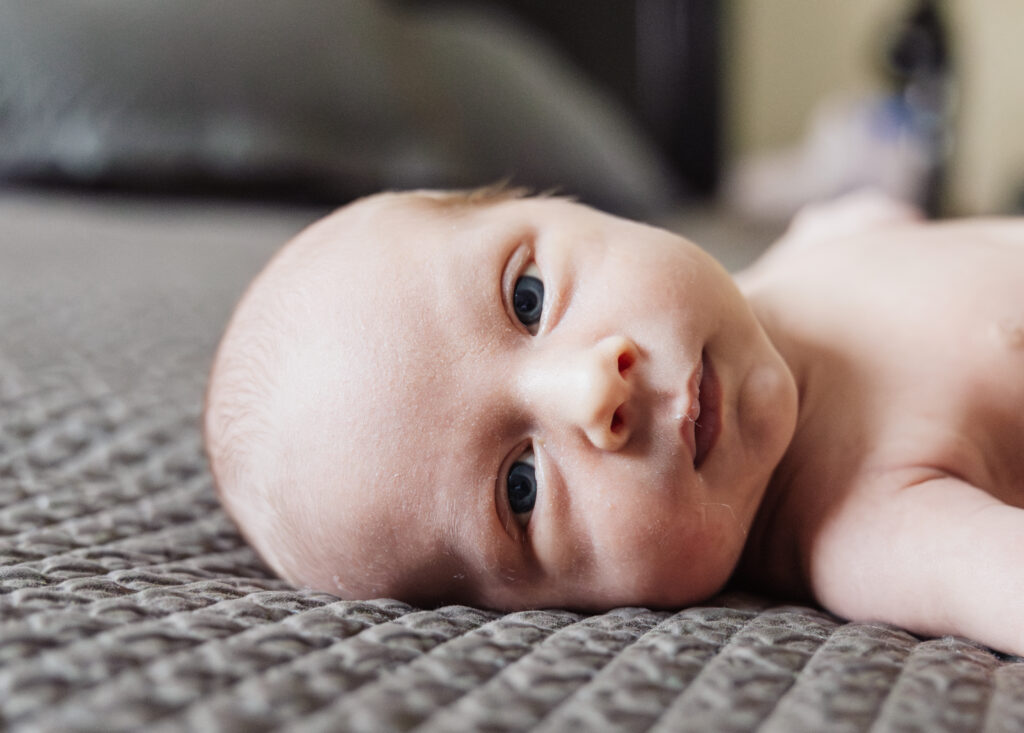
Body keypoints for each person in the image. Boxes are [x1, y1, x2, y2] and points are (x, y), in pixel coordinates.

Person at [204, 185, 1024, 658]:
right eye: (521, 489)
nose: (593, 393)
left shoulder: (815, 248)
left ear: (566, 204)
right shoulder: (867, 525)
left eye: (528, 299)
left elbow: (870, 217)